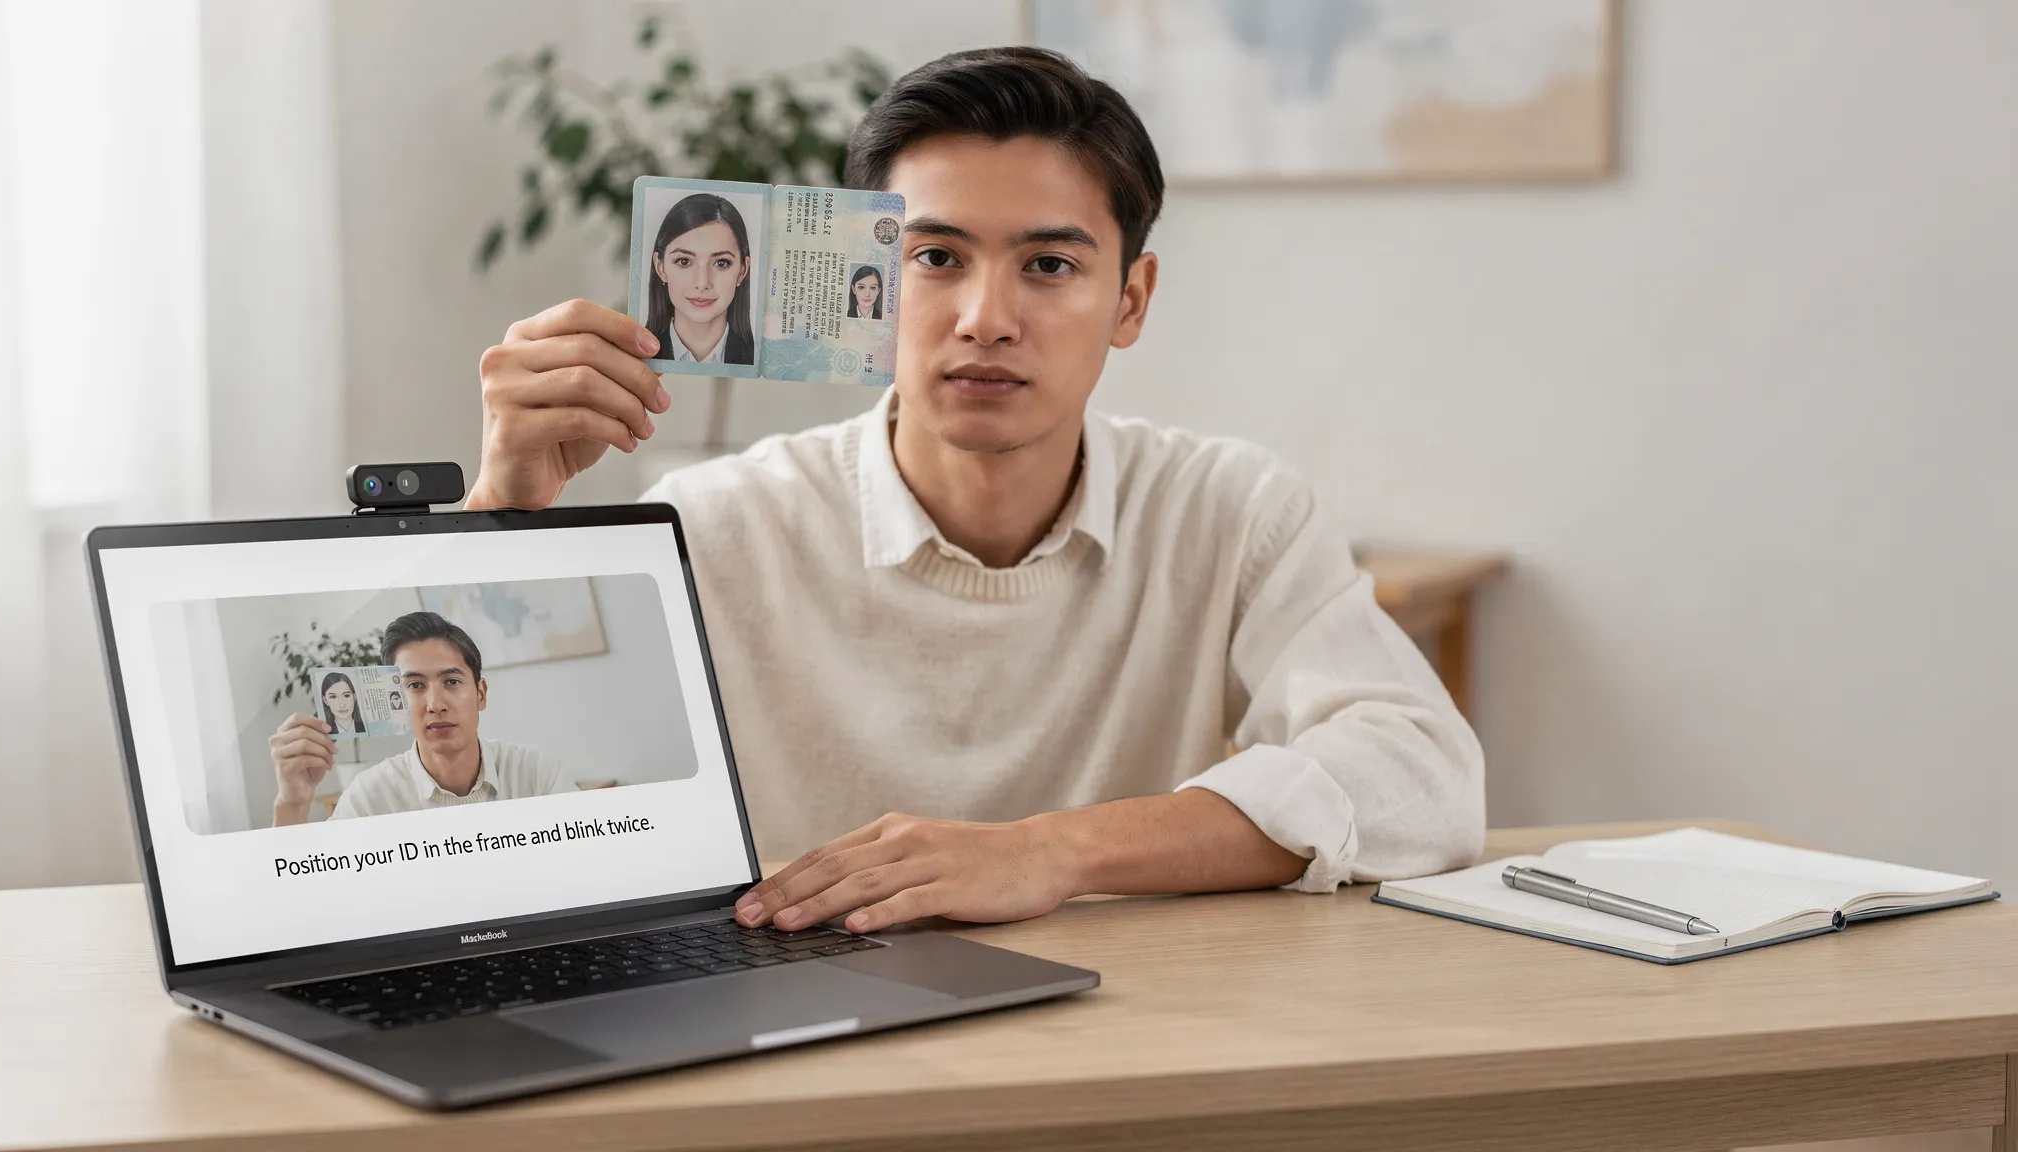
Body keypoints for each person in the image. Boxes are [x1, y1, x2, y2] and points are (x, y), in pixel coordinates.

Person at [466, 47, 1484, 935]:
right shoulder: (717, 519)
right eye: (935, 259)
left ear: (1129, 301)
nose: (983, 318)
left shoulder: (1227, 509)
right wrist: (503, 518)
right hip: (790, 1016)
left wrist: (1048, 853)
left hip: (1127, 1018)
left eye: (1046, 264)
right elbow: (466, 816)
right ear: (860, 279)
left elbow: (1421, 777)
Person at [268, 611, 576, 823]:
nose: (435, 704)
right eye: (414, 685)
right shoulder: (368, 799)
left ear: (481, 694)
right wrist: (292, 802)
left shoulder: (537, 774)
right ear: (396, 701)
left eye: (451, 682)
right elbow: (319, 898)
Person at [645, 192, 755, 366]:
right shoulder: (637, 357)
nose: (702, 283)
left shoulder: (760, 360)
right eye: (684, 261)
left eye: (721, 263)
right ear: (661, 267)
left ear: (743, 270)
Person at [318, 671, 366, 735]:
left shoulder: (366, 728)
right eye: (333, 697)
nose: (342, 705)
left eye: (346, 695)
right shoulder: (323, 733)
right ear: (325, 700)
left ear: (354, 697)